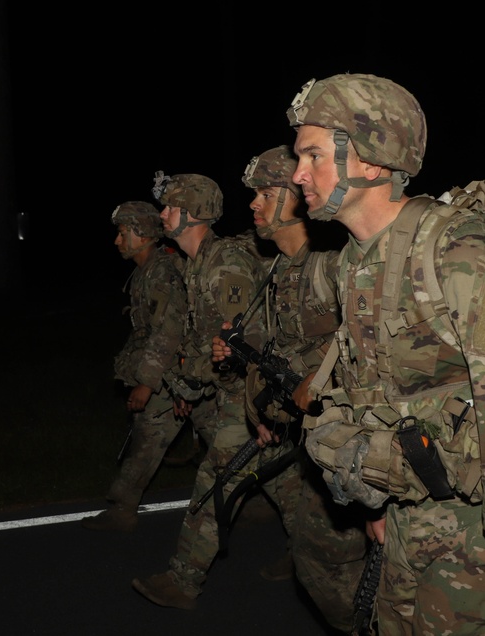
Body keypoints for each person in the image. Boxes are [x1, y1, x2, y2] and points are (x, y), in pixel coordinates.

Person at [285, 73, 485, 636]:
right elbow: (373, 390)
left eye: (312, 155)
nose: (297, 175)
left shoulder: (460, 251)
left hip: (482, 534)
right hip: (407, 517)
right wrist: (376, 504)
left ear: (370, 160)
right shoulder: (354, 262)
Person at [212, 144, 369, 633]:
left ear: (296, 201)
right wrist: (265, 410)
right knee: (319, 555)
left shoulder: (331, 264)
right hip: (310, 438)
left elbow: (362, 351)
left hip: (356, 438)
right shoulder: (279, 270)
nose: (254, 205)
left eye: (264, 193)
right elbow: (280, 350)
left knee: (328, 558)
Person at [131, 172, 271, 611]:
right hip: (229, 393)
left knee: (214, 481)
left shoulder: (224, 264)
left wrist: (195, 384)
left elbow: (240, 344)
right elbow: (200, 338)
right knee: (288, 483)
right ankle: (317, 550)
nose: (162, 214)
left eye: (170, 207)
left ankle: (184, 580)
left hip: (247, 395)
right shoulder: (197, 264)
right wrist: (184, 385)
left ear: (191, 213)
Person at [81, 201, 189, 533]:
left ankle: (122, 510)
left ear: (141, 235)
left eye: (122, 233)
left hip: (177, 371)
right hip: (172, 373)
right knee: (151, 436)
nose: (117, 241)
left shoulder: (161, 273)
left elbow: (167, 332)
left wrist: (146, 382)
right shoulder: (145, 271)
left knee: (151, 438)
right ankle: (122, 508)